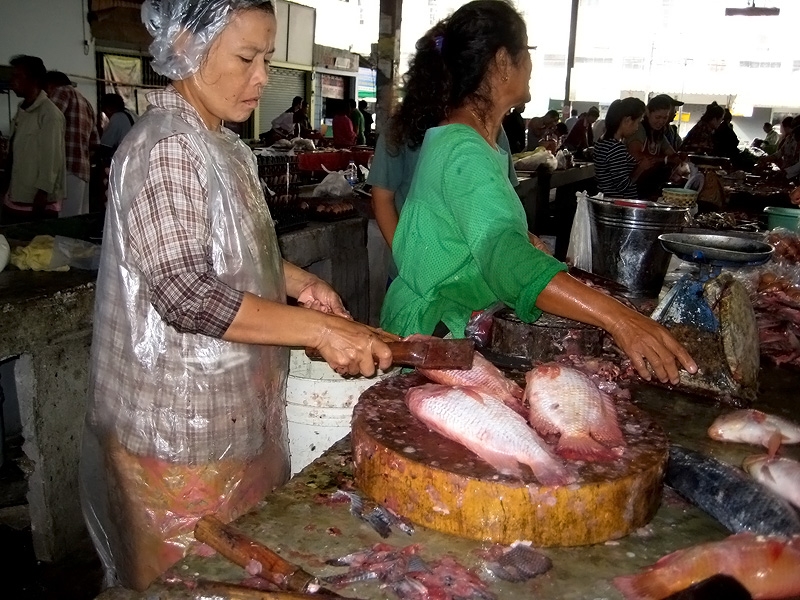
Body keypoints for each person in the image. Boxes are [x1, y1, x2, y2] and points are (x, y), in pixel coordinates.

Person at [80, 0, 392, 590]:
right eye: (247, 57)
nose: (262, 76)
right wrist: (322, 332)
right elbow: (185, 292)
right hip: (176, 428)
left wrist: (299, 283)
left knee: (235, 576)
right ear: (188, 50)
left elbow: (231, 255)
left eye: (267, 57)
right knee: (183, 581)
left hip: (229, 413)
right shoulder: (167, 146)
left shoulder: (222, 145)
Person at [380, 1, 695, 387]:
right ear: (501, 62)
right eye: (526, 53)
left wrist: (522, 241)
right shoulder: (463, 149)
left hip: (452, 325)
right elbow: (500, 252)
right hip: (434, 338)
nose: (531, 66)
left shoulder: (484, 141)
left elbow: (470, 232)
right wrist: (621, 319)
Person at [1, 55, 66, 223]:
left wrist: (43, 193)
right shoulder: (22, 112)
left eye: (17, 76)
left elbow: (52, 158)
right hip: (17, 194)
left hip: (36, 201)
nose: (12, 80)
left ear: (34, 80)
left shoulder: (49, 114)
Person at [45, 71, 99, 217]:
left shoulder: (61, 92)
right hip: (82, 170)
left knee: (64, 224)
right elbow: (95, 143)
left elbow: (48, 124)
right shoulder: (86, 102)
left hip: (65, 168)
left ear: (50, 85)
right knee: (78, 221)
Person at [594, 97, 658, 199]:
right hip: (619, 204)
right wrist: (641, 168)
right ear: (627, 120)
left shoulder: (602, 142)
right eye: (637, 122)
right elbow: (623, 186)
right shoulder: (616, 148)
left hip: (607, 200)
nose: (637, 127)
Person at [625, 94, 683, 198]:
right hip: (633, 188)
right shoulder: (639, 130)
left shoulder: (659, 134)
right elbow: (636, 155)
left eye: (665, 117)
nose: (661, 121)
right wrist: (665, 159)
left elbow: (673, 155)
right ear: (647, 112)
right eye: (658, 117)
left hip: (649, 187)